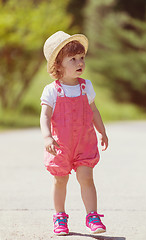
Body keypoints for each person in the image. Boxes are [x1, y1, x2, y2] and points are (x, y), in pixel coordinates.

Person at [40, 31, 108, 235]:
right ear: (58, 65)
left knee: (86, 177)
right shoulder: (52, 90)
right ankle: (60, 216)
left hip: (84, 142)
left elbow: (94, 110)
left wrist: (102, 132)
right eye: (73, 59)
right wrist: (47, 137)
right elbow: (44, 116)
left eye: (82, 58)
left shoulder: (86, 86)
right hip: (60, 145)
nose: (80, 62)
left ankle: (93, 216)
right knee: (60, 179)